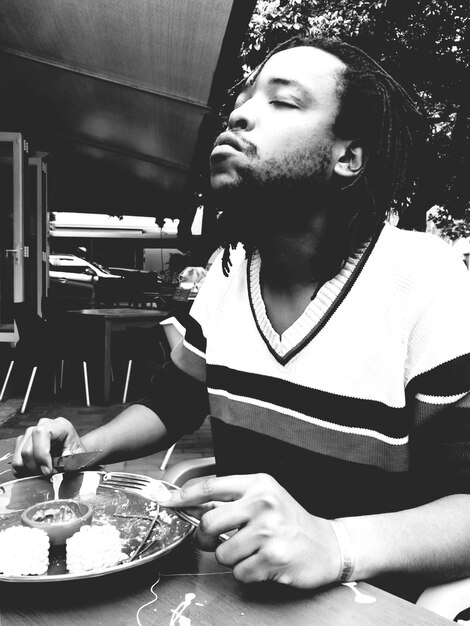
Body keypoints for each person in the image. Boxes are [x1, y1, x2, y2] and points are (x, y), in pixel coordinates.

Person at [12, 36, 470, 600]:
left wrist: (334, 542)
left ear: (347, 156)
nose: (241, 112)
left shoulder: (425, 279)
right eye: (245, 97)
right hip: (240, 587)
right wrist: (82, 449)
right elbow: (171, 402)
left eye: (283, 101)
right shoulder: (229, 275)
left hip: (379, 600)